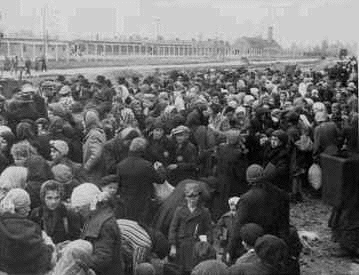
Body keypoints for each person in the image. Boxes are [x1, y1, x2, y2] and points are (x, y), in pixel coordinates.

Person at [227, 164, 290, 263]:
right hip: (276, 244)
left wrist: (230, 250)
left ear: (248, 180)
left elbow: (238, 226)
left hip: (255, 245)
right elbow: (285, 224)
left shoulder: (246, 199)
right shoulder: (282, 194)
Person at [71, 183, 123, 275]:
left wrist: (77, 261)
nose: (76, 211)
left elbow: (102, 258)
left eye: (79, 207)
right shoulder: (95, 217)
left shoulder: (103, 224)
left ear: (91, 204)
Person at [0, 188, 55, 275]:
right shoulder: (32, 228)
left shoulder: (2, 225)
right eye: (27, 206)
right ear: (19, 208)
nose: (29, 209)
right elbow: (41, 255)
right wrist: (50, 246)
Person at [117, 137, 164, 225]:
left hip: (126, 201)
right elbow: (160, 180)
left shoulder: (121, 165)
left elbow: (119, 184)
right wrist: (160, 169)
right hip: (143, 201)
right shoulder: (147, 165)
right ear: (143, 150)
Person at [168, 182, 213, 275]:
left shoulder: (204, 212)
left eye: (195, 196)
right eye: (189, 197)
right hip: (182, 245)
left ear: (199, 196)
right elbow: (173, 229)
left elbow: (209, 230)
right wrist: (173, 246)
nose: (192, 199)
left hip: (197, 247)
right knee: (180, 270)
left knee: (196, 270)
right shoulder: (179, 210)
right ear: (185, 197)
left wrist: (207, 245)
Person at [30, 180, 82, 244]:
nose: (53, 202)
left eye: (57, 198)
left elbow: (76, 238)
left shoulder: (69, 214)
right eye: (49, 198)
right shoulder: (36, 213)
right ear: (43, 198)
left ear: (61, 197)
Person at [82, 110, 106, 182]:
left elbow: (96, 154)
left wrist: (86, 167)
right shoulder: (97, 132)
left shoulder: (94, 135)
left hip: (94, 172)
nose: (82, 123)